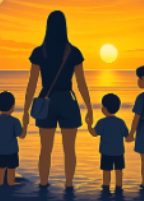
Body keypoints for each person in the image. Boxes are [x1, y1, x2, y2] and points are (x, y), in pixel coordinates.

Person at [21, 10, 92, 191]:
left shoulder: (39, 52)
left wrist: (25, 112)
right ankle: (69, 186)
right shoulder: (74, 52)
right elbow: (81, 84)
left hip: (46, 101)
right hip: (67, 101)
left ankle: (44, 185)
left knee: (45, 149)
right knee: (69, 149)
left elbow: (32, 85)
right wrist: (89, 108)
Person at [92, 93, 128, 194]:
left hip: (106, 152)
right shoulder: (121, 122)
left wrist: (89, 125)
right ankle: (119, 187)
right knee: (119, 170)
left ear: (105, 108)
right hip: (119, 152)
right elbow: (126, 134)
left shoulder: (102, 122)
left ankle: (106, 187)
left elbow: (95, 133)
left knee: (106, 171)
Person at [0, 91, 23, 186]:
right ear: (13, 106)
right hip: (12, 152)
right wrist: (25, 126)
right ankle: (11, 182)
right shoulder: (15, 121)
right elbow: (21, 135)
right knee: (11, 169)